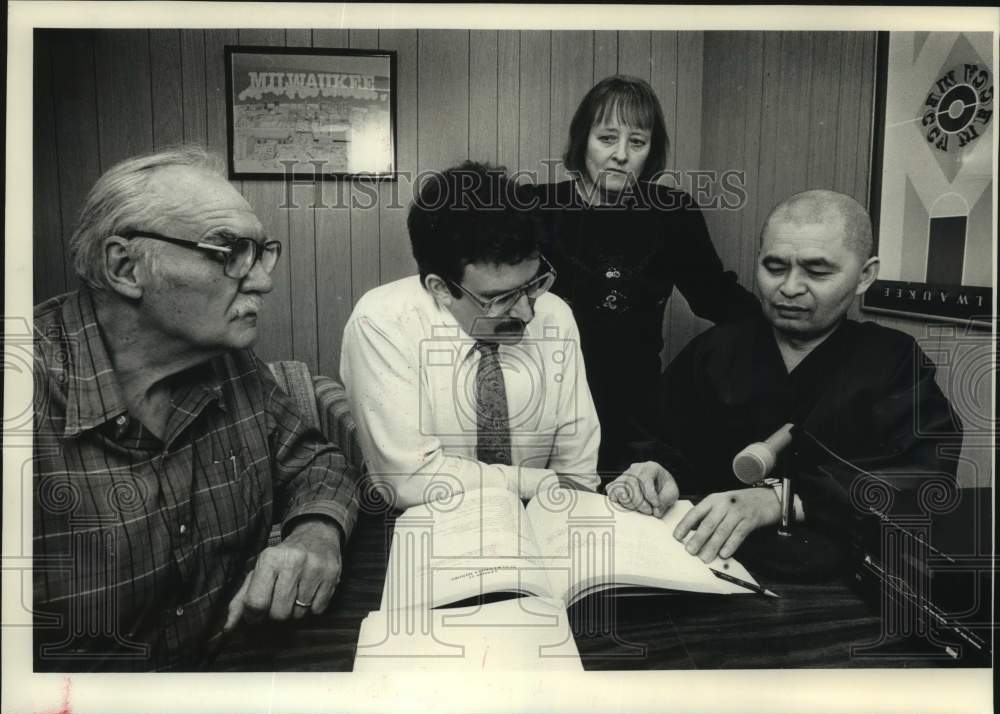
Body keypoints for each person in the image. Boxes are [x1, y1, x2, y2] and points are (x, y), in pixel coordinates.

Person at [32, 146, 359, 671]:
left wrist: (316, 533)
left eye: (260, 252)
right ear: (125, 266)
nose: (262, 280)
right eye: (229, 251)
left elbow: (317, 462)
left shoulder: (231, 364)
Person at [607, 189, 962, 565]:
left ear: (865, 275)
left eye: (817, 271)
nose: (789, 288)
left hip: (837, 584)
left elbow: (926, 478)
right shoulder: (715, 351)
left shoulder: (891, 361)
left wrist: (784, 499)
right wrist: (657, 473)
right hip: (704, 562)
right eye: (774, 268)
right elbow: (659, 440)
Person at [522, 75, 759, 474]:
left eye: (637, 142)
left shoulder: (672, 213)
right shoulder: (534, 205)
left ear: (651, 150)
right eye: (606, 138)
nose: (621, 155)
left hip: (635, 408)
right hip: (545, 400)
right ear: (582, 141)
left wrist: (785, 327)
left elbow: (714, 296)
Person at [341, 161, 601, 510]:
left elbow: (578, 472)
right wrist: (542, 483)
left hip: (543, 520)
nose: (527, 312)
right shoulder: (381, 323)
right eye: (502, 298)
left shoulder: (555, 315)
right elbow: (409, 481)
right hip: (428, 529)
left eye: (534, 284)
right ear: (440, 288)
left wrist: (559, 491)